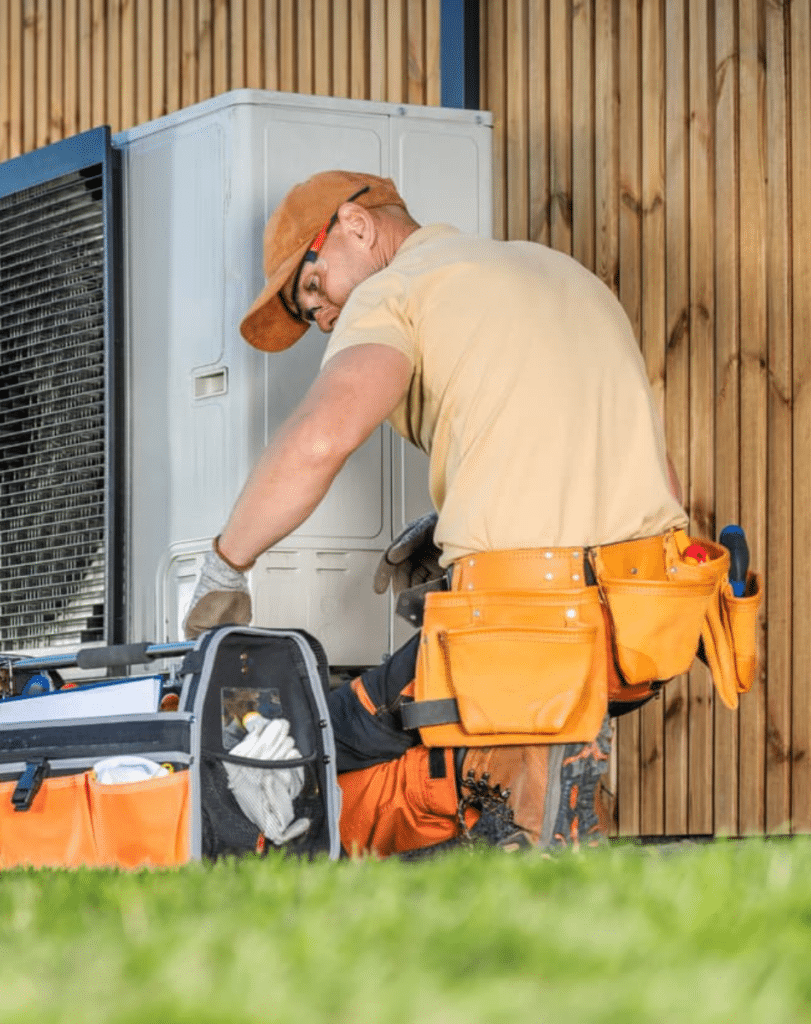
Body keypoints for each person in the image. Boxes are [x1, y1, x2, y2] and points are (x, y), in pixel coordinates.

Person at [184, 169, 691, 855]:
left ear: (356, 227)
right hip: (643, 627)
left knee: (312, 734)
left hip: (524, 626)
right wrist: (470, 521)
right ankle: (538, 791)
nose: (322, 318)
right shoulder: (560, 272)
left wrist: (224, 566)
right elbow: (656, 476)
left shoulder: (396, 289)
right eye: (310, 317)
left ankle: (510, 813)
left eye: (312, 289)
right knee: (462, 718)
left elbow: (320, 439)